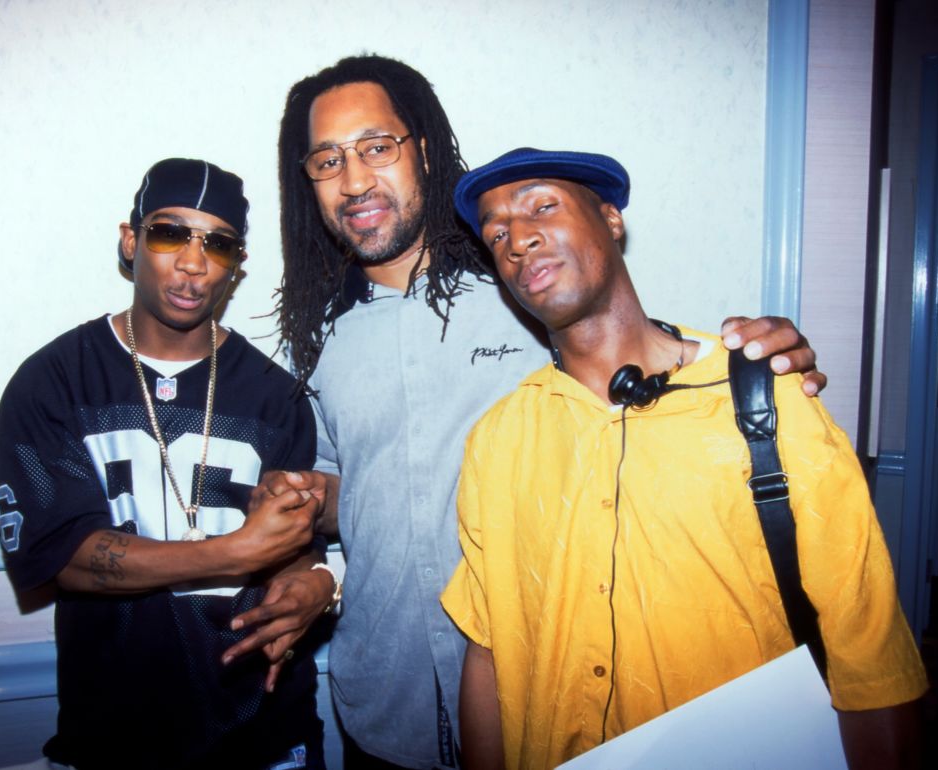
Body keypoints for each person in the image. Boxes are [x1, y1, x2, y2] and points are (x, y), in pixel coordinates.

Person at [232, 55, 827, 770]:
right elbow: (342, 490)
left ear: (421, 149)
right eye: (328, 160)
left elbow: (640, 359)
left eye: (376, 147)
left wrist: (754, 360)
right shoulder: (321, 337)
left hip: (547, 705)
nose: (354, 179)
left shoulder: (523, 284)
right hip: (380, 707)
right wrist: (301, 504)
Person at [440, 148, 929, 770]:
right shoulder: (498, 439)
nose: (518, 240)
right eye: (497, 233)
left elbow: (869, 653)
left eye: (543, 207)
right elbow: (488, 650)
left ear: (611, 220)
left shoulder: (768, 396)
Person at [0, 158, 336, 770]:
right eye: (170, 233)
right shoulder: (55, 380)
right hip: (113, 739)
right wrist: (233, 552)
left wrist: (316, 584)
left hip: (265, 734)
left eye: (219, 244)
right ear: (131, 240)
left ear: (236, 266)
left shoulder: (275, 394)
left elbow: (296, 545)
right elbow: (66, 558)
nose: (193, 263)